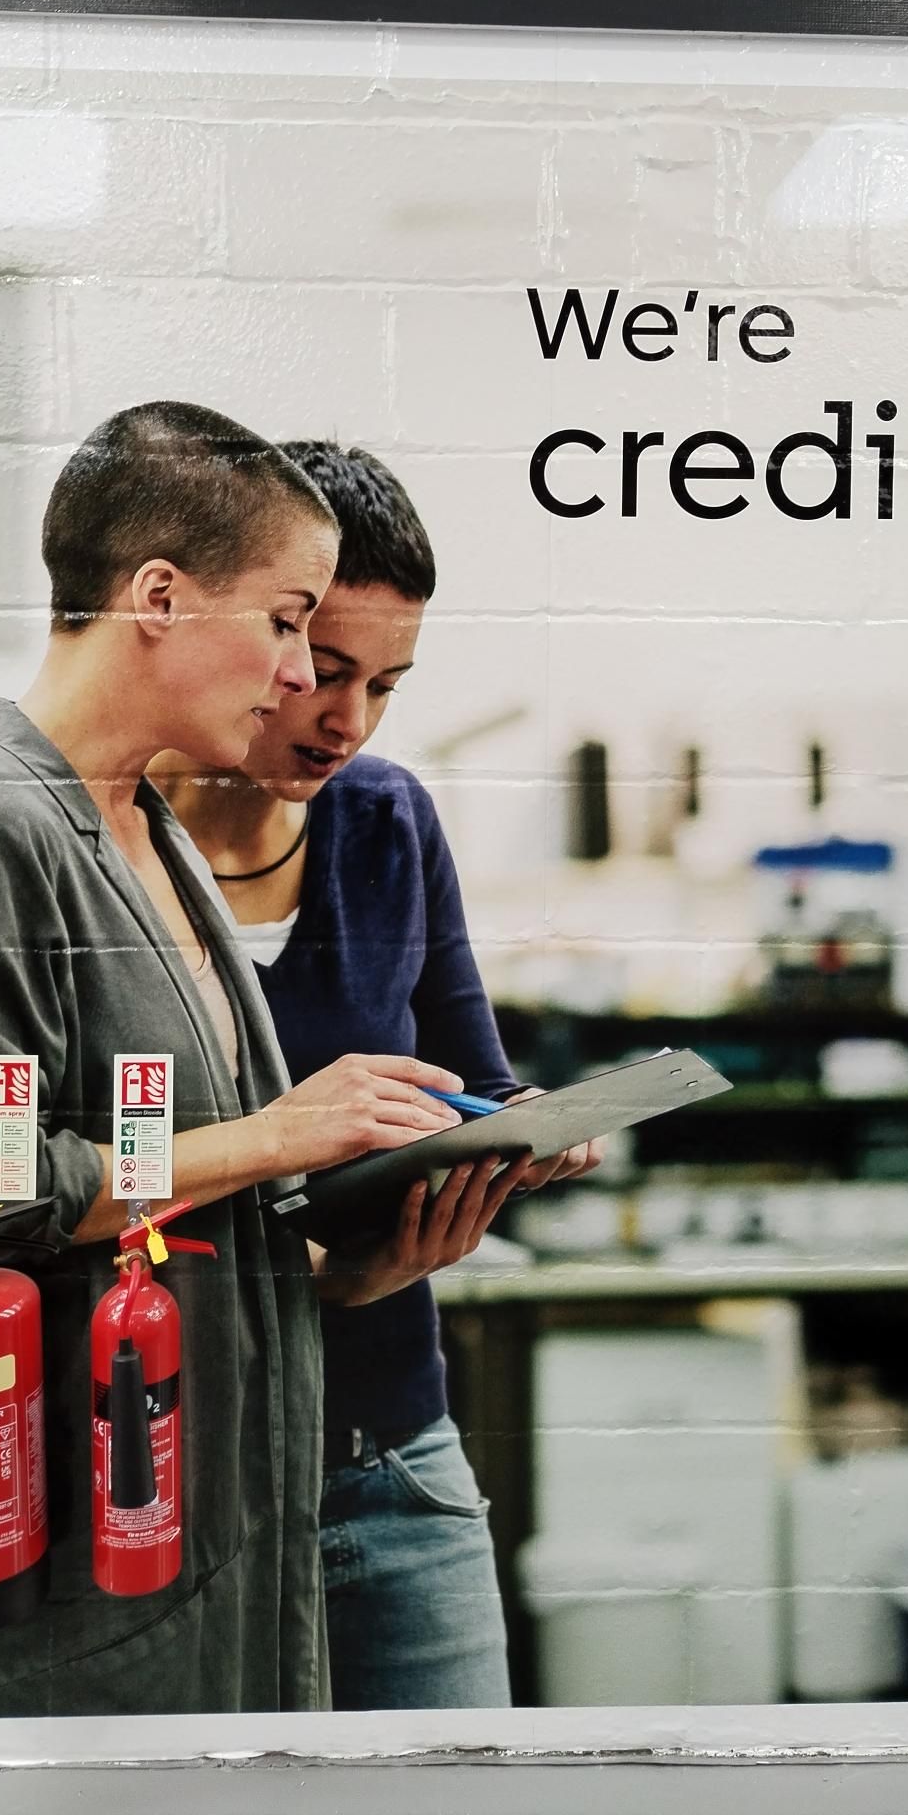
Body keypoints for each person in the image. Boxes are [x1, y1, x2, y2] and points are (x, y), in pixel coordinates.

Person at [0, 401, 474, 1721]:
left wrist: (340, 1264)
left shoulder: (147, 831)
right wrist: (281, 1133)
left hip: (213, 1546)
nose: (300, 673)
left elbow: (153, 1195)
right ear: (158, 596)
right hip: (81, 1592)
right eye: (285, 622)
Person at [156, 441, 600, 1711]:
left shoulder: (387, 820)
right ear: (265, 636)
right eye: (326, 672)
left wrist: (522, 1133)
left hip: (391, 1449)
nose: (347, 720)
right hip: (183, 1468)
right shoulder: (106, 850)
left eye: (388, 686)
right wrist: (319, 1249)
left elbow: (474, 1070)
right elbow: (63, 1183)